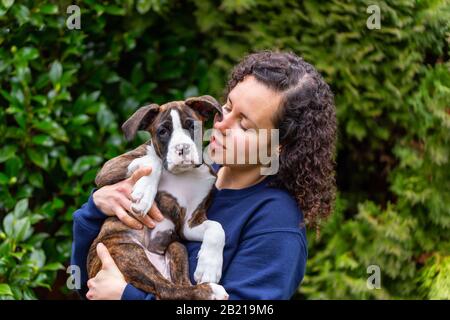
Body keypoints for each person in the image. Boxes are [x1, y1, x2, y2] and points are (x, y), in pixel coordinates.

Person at [70, 51, 337, 300]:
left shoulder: (277, 224)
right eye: (227, 107)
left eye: (244, 125)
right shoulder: (194, 173)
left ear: (279, 144)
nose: (220, 125)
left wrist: (126, 295)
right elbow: (86, 282)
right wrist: (96, 208)